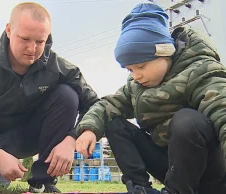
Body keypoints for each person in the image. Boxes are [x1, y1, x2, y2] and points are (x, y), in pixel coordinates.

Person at [75, 2, 226, 194]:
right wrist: (89, 129)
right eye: (130, 69)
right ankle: (140, 188)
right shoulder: (136, 86)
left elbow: (222, 111)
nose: (136, 75)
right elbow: (108, 104)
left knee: (187, 120)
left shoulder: (200, 70)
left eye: (141, 66)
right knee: (114, 124)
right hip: (170, 167)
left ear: (164, 52)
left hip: (209, 171)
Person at [0, 2, 98, 193]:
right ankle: (0, 173)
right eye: (25, 38)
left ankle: (43, 182)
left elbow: (94, 105)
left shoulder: (58, 67)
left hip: (32, 134)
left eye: (40, 41)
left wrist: (72, 138)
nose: (32, 48)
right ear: (9, 30)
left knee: (67, 95)